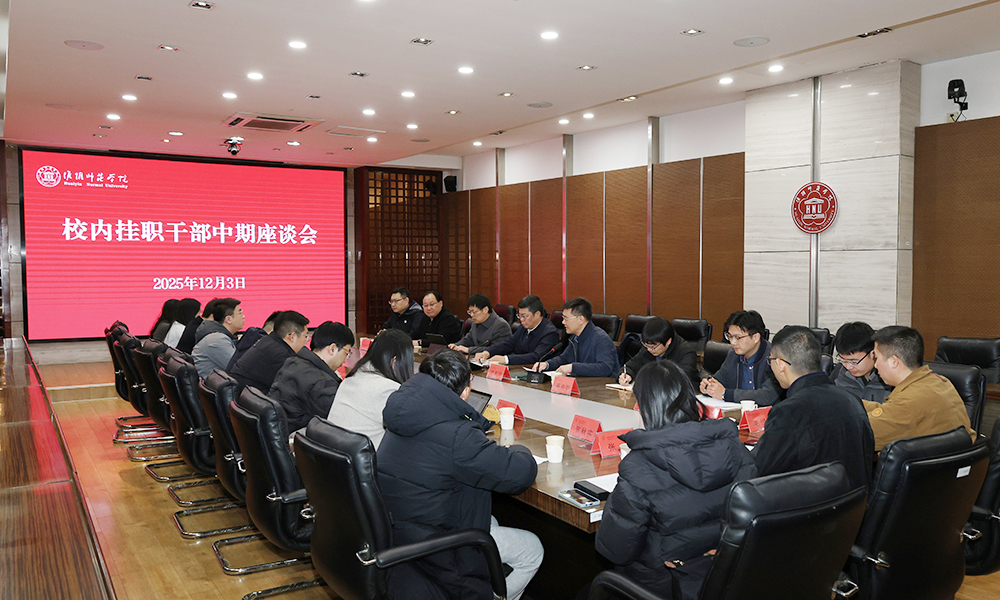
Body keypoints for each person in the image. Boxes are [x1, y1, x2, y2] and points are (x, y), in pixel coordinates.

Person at [378, 350, 543, 600]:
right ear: (466, 392)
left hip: (402, 537)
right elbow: (519, 474)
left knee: (492, 521)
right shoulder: (458, 435)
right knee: (532, 549)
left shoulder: (404, 414)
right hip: (442, 550)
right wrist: (518, 450)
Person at [593, 361, 756, 600]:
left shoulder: (639, 467)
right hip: (721, 578)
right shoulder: (736, 449)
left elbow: (615, 549)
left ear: (646, 407)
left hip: (659, 586)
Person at [751, 326, 874, 491]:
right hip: (854, 502)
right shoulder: (852, 400)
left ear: (780, 364)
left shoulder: (789, 411)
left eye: (770, 360)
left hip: (810, 504)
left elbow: (757, 470)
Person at [865, 326, 975, 451]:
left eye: (876, 357)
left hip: (924, 462)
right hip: (948, 460)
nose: (875, 365)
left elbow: (860, 433)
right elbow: (889, 411)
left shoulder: (909, 401)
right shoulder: (939, 382)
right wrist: (852, 403)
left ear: (893, 361)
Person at [327, 329, 414, 449]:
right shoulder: (389, 389)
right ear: (395, 361)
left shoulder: (352, 377)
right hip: (363, 457)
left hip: (334, 452)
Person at [268, 321, 355, 432]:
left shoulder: (293, 362)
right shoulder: (322, 383)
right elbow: (341, 422)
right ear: (332, 349)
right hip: (296, 437)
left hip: (278, 429)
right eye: (346, 353)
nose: (345, 360)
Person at [700, 310, 781, 406]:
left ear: (755, 337)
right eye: (730, 336)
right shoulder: (733, 354)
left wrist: (725, 394)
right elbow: (719, 380)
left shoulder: (774, 358)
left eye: (738, 337)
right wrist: (708, 386)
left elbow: (767, 396)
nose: (733, 342)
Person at [532, 297, 619, 377]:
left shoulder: (601, 338)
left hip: (602, 386)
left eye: (566, 319)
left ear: (581, 319)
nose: (563, 322)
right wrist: (547, 364)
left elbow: (605, 368)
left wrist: (573, 367)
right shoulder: (575, 337)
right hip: (584, 384)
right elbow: (564, 359)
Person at [229, 311, 310, 394]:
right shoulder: (282, 356)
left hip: (239, 394)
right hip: (245, 397)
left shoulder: (267, 341)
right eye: (306, 336)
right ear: (292, 336)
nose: (306, 341)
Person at [473, 295, 560, 365]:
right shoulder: (524, 326)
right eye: (519, 316)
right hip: (519, 368)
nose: (521, 319)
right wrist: (487, 352)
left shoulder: (549, 333)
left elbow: (536, 357)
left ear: (537, 314)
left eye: (524, 316)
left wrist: (506, 359)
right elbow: (510, 343)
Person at [619, 317, 698, 385]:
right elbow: (630, 366)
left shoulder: (686, 352)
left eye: (653, 347)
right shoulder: (648, 348)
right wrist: (626, 375)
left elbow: (681, 380)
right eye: (646, 345)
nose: (649, 349)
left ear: (668, 342)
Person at [831, 321, 892, 403]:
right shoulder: (838, 373)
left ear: (873, 354)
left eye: (854, 362)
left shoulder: (891, 377)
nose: (848, 367)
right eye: (843, 360)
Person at [192, 298, 244, 379]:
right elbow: (239, 369)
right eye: (240, 313)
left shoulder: (218, 336)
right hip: (217, 385)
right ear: (228, 319)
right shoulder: (217, 340)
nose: (243, 316)